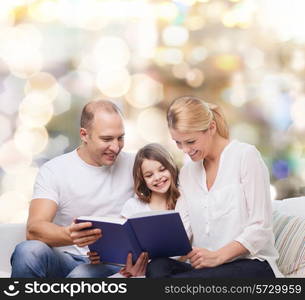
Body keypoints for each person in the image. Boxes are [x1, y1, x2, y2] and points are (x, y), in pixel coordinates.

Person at [146, 96, 283, 278]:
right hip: (208, 269)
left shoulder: (245, 156)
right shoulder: (188, 173)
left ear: (211, 128)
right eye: (178, 142)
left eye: (190, 141)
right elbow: (182, 230)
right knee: (157, 267)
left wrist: (218, 256)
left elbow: (260, 227)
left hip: (252, 265)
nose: (184, 150)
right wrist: (145, 254)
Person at [10, 100, 135, 278]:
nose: (116, 147)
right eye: (107, 139)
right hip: (66, 259)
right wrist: (68, 235)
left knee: (81, 276)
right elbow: (34, 229)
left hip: (112, 265)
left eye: (120, 137)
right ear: (84, 135)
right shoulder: (54, 170)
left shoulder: (135, 165)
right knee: (28, 251)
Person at [78, 143, 181, 278]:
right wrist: (102, 256)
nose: (157, 177)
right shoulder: (133, 206)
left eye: (162, 170)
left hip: (170, 270)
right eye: (149, 175)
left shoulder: (183, 202)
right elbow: (122, 246)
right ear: (143, 179)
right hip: (133, 271)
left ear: (171, 167)